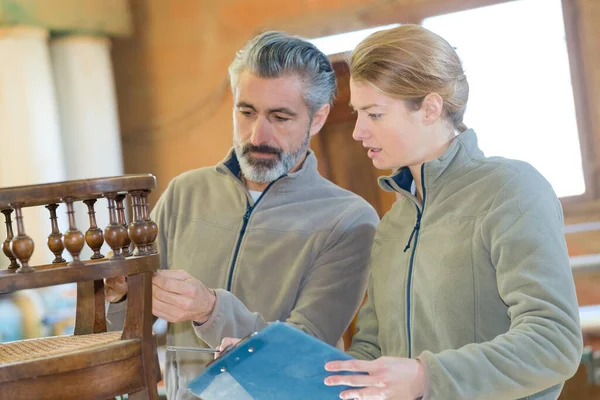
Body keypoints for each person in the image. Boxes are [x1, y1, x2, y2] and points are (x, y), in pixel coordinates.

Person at [105, 31, 379, 400]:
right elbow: (126, 330)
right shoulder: (185, 193)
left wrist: (211, 310)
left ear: (318, 118)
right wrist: (118, 294)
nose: (257, 134)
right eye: (246, 111)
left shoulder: (350, 220)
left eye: (280, 117)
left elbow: (304, 350)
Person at [319, 24, 583, 400]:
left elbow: (554, 341)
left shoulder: (510, 189)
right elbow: (374, 351)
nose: (358, 131)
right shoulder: (393, 224)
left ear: (430, 108)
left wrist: (427, 377)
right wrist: (288, 371)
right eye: (357, 113)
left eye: (374, 114)